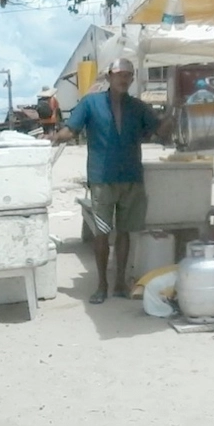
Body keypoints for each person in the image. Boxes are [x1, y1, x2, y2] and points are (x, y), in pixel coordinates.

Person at [49, 58, 174, 304]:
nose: (123, 79)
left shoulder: (138, 107)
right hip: (101, 178)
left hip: (131, 176)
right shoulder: (90, 103)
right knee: (102, 234)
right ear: (109, 77)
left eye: (128, 75)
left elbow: (160, 131)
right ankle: (102, 285)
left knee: (125, 233)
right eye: (119, 75)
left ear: (132, 78)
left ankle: (119, 283)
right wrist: (53, 137)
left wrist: (176, 110)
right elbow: (71, 130)